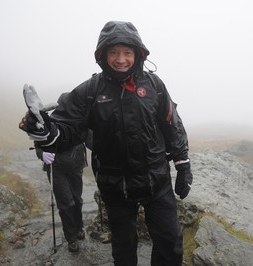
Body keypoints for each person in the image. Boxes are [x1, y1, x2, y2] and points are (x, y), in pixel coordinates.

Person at [19, 21, 193, 266]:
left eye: (127, 52)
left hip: (157, 181)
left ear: (138, 54)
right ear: (103, 54)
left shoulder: (154, 86)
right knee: (123, 250)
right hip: (115, 186)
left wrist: (183, 165)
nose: (121, 59)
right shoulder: (90, 91)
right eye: (114, 52)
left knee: (170, 246)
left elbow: (171, 124)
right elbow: (65, 130)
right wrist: (44, 131)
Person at [35, 92, 89, 253]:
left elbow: (91, 140)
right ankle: (71, 238)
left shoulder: (80, 122)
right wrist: (42, 155)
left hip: (76, 167)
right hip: (56, 169)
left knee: (77, 200)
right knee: (66, 204)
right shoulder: (49, 124)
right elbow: (39, 145)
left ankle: (79, 228)